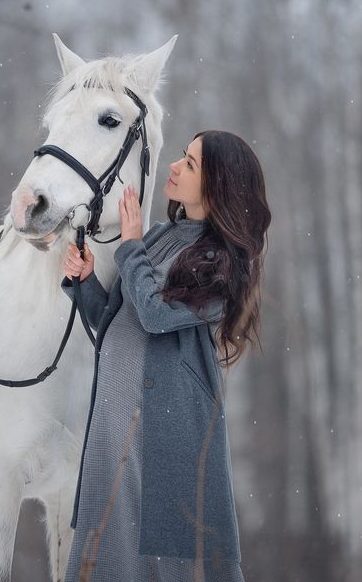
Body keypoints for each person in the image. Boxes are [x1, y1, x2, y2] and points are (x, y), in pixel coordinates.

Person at [59, 130, 270, 581]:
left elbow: (156, 315)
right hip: (115, 425)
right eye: (183, 156)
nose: (175, 166)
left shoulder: (223, 262)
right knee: (107, 547)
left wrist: (130, 245)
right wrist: (85, 283)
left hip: (163, 433)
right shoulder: (159, 236)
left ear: (217, 187)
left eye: (190, 164)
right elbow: (117, 322)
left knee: (162, 551)